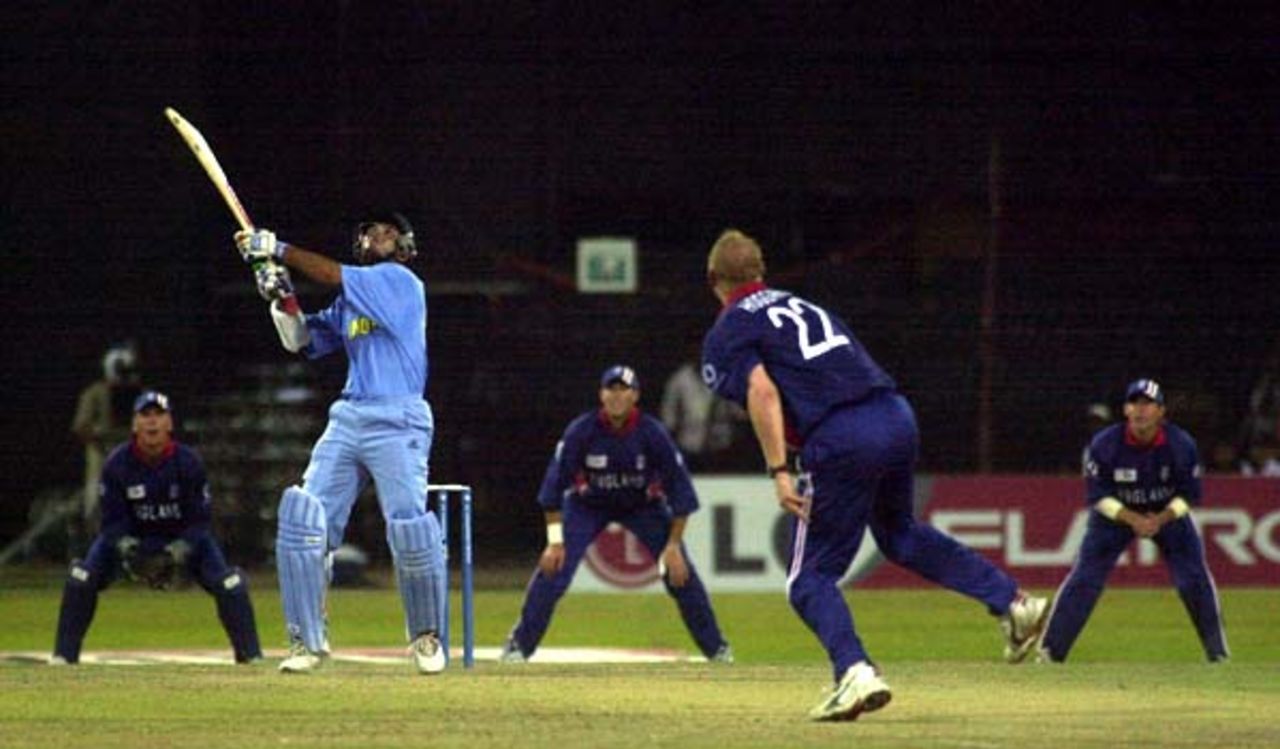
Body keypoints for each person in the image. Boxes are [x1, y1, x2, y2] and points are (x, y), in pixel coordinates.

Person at [699, 229, 1048, 722]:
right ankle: (1013, 603)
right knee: (899, 533)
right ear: (761, 272)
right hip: (894, 414)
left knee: (809, 578)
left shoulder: (728, 329)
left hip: (842, 434)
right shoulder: (803, 305)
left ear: (712, 278)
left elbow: (762, 391)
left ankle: (855, 671)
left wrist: (778, 470)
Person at [235, 212, 447, 675]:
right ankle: (306, 641)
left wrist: (278, 249)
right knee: (303, 519)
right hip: (350, 416)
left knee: (410, 529)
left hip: (399, 417)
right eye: (371, 231)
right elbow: (301, 340)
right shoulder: (350, 303)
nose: (379, 236)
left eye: (389, 232)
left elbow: (331, 274)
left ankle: (427, 636)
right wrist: (281, 295)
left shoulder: (401, 282)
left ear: (405, 245)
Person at [499, 364, 733, 663]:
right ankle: (519, 646)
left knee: (680, 574)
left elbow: (680, 493)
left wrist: (673, 546)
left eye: (624, 389)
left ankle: (717, 650)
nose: (617, 396)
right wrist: (554, 542)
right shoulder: (581, 431)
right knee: (553, 570)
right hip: (588, 505)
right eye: (611, 389)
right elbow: (553, 490)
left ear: (635, 396)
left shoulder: (652, 434)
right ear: (601, 395)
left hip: (643, 506)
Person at [51, 391, 262, 664]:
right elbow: (110, 520)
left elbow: (200, 520)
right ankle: (63, 657)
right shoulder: (117, 463)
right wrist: (125, 546)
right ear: (134, 424)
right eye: (145, 415)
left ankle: (251, 657)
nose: (152, 422)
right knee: (80, 578)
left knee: (231, 584)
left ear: (170, 423)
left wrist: (182, 548)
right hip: (131, 538)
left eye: (159, 415)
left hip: (182, 539)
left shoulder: (188, 462)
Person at [1038, 379, 1228, 663]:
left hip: (1166, 514)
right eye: (1134, 403)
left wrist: (1160, 519)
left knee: (1193, 579)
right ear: (1126, 410)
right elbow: (1097, 496)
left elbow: (1189, 495)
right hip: (1115, 515)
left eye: (1148, 404)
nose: (1140, 410)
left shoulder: (1181, 444)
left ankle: (1218, 654)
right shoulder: (1105, 444)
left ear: (1161, 412)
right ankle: (1051, 652)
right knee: (1085, 578)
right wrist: (1133, 519)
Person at [69, 341, 143, 555]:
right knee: (96, 506)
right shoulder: (95, 393)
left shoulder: (138, 394)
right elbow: (81, 426)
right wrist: (102, 437)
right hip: (101, 460)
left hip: (130, 460)